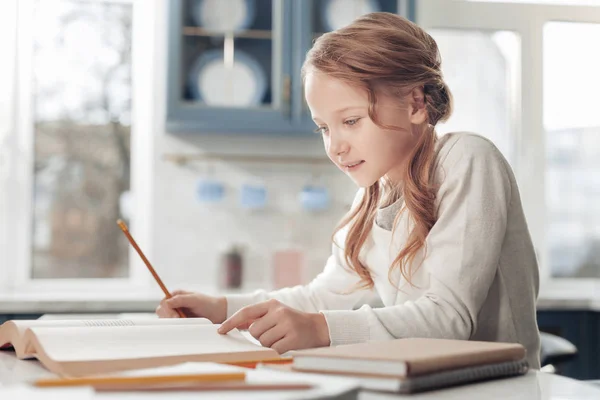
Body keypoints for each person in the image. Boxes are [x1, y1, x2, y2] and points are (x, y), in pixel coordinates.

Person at [156, 12, 541, 369]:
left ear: (416, 103)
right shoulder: (371, 197)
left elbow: (448, 316)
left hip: (505, 387)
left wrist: (321, 329)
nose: (335, 146)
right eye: (324, 127)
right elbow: (320, 298)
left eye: (351, 121)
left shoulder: (467, 160)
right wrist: (221, 308)